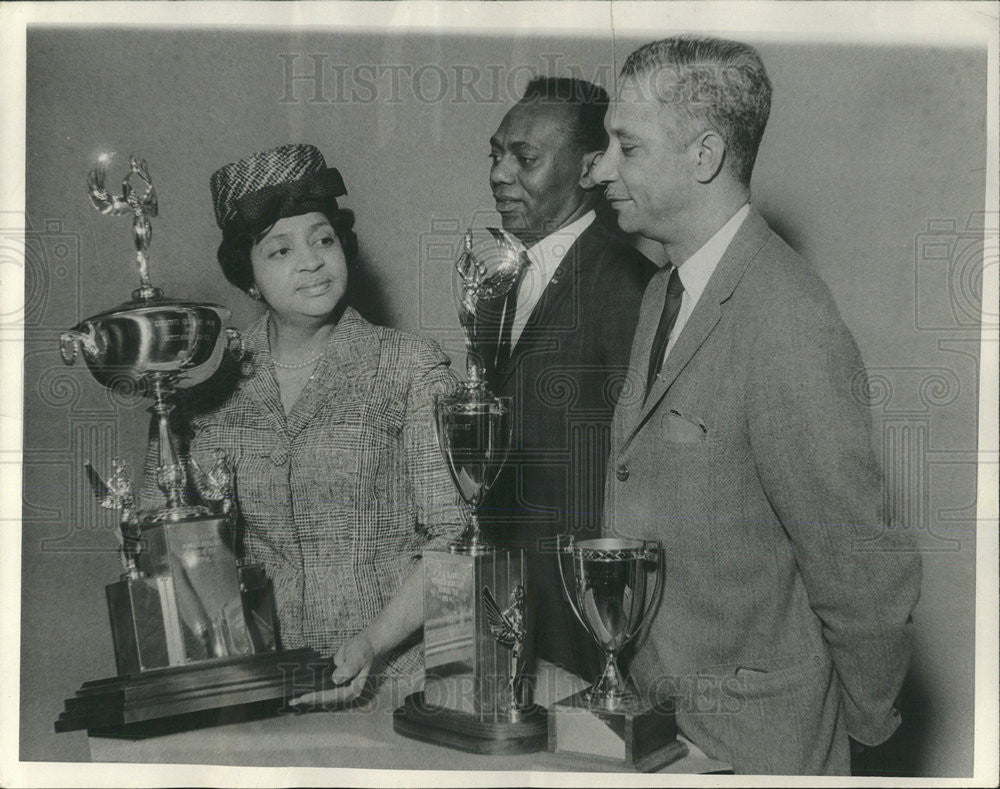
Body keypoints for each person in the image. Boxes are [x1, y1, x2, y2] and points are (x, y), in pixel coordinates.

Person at [592, 37, 922, 774]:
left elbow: (863, 567)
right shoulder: (662, 292)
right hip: (658, 730)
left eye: (627, 146)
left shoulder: (787, 316)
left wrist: (851, 734)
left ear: (704, 155)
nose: (602, 168)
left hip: (758, 749)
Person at [179, 143, 461, 706]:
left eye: (323, 239)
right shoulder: (207, 390)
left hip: (397, 686)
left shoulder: (411, 368)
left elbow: (457, 541)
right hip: (260, 692)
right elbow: (179, 546)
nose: (311, 261)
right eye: (280, 250)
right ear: (250, 277)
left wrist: (372, 644)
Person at [478, 77, 655, 681]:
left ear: (588, 171)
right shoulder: (497, 279)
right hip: (507, 588)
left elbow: (641, 467)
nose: (501, 173)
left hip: (584, 607)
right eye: (496, 154)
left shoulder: (628, 282)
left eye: (524, 159)